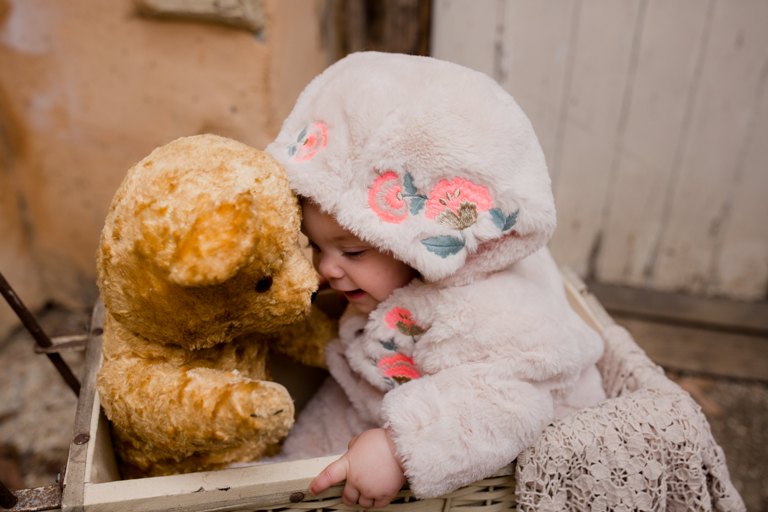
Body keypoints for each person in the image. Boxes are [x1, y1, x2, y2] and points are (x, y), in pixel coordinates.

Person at [265, 51, 607, 508]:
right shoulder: (384, 289)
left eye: (352, 251)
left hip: (515, 444)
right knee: (332, 423)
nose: (327, 268)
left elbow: (505, 405)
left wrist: (400, 447)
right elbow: (356, 395)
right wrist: (289, 469)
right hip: (397, 394)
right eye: (316, 247)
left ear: (419, 238)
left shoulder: (485, 312)